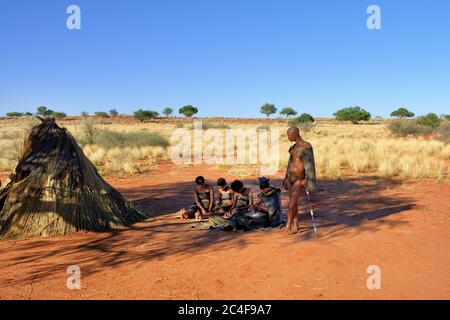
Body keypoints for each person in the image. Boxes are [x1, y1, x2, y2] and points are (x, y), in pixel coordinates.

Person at [282, 126, 317, 234]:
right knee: (294, 204)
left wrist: (308, 179)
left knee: (292, 204)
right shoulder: (293, 148)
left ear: (295, 134)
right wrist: (285, 177)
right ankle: (296, 226)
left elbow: (310, 165)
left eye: (289, 135)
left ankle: (288, 223)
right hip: (290, 178)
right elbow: (290, 163)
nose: (288, 137)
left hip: (299, 179)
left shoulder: (306, 146)